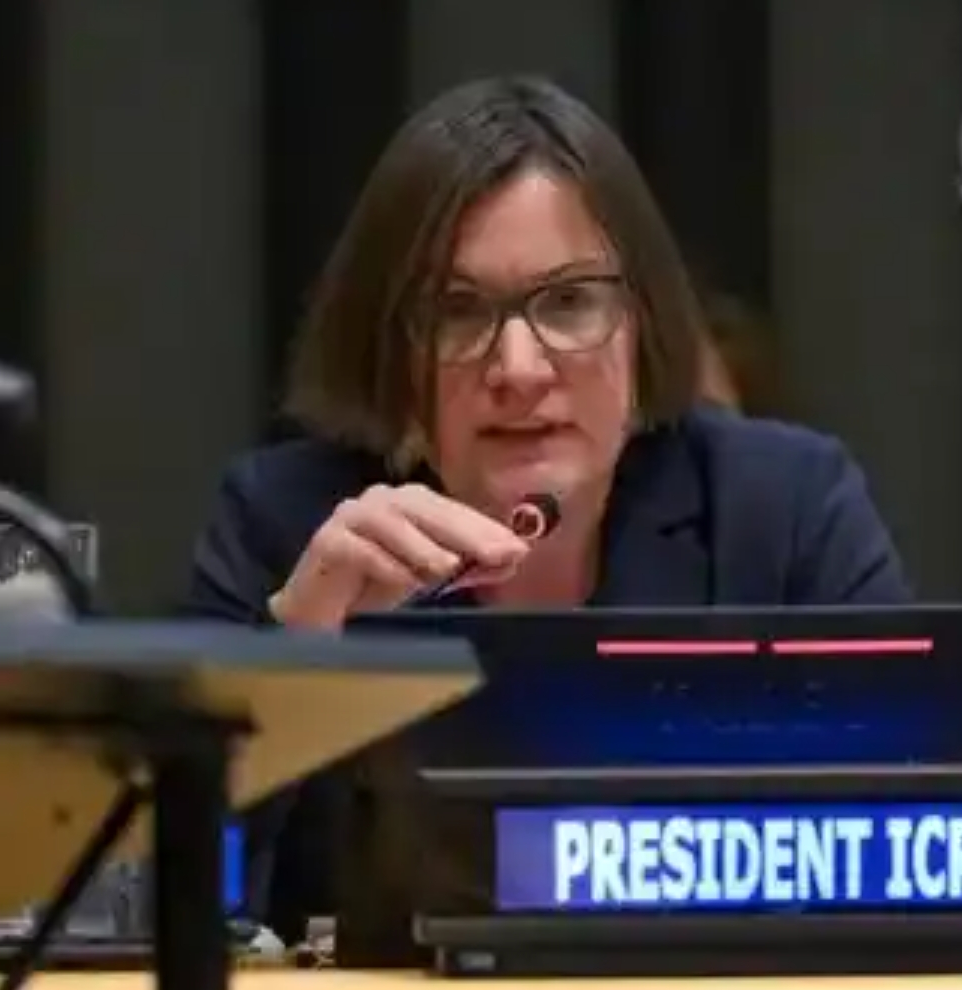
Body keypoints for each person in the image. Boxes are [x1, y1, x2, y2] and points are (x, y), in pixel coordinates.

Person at [183, 76, 910, 962]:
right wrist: (290, 663)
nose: (520, 369)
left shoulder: (783, 509)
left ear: (641, 324)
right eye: (457, 311)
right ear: (393, 350)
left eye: (569, 302)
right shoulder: (281, 523)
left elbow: (913, 846)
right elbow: (150, 904)